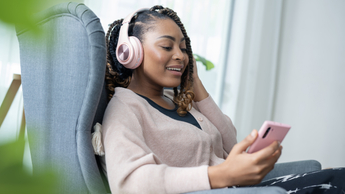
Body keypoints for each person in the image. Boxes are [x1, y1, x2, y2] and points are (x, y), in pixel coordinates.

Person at [97, 5, 345, 194]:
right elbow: (129, 182)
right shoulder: (125, 108)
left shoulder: (179, 101)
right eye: (167, 47)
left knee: (337, 176)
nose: (180, 56)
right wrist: (219, 175)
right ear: (130, 53)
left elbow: (229, 144)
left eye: (183, 49)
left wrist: (196, 84)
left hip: (235, 189)